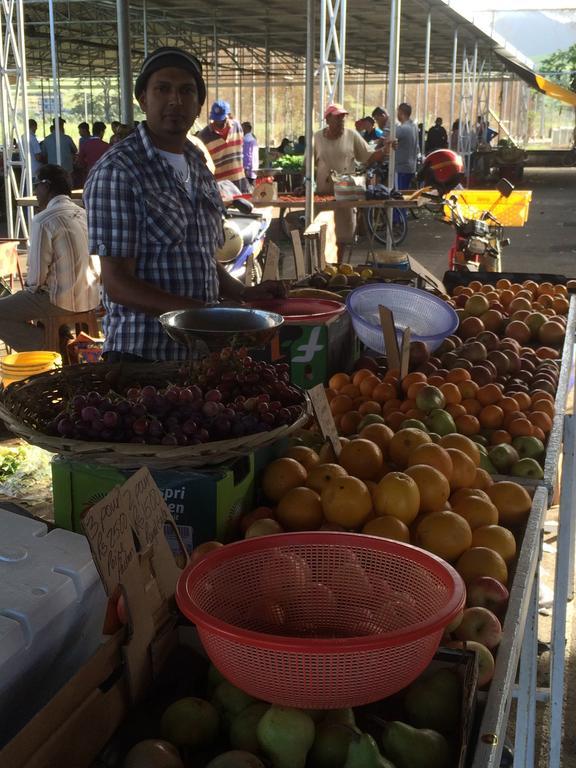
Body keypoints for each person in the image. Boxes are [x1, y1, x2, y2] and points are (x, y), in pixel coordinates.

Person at [84, 47, 286, 363]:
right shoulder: (119, 170)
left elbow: (198, 256)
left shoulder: (198, 165)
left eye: (186, 91)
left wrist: (241, 293)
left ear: (198, 104)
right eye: (162, 89)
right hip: (143, 357)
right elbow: (117, 283)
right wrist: (202, 314)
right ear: (143, 99)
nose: (175, 101)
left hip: (202, 355)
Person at [0, 164, 100, 352]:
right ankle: (61, 340)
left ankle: (53, 348)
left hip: (60, 301)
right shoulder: (84, 214)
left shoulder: (44, 220)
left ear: (46, 186)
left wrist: (26, 295)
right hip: (91, 297)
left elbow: (36, 280)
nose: (36, 192)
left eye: (37, 186)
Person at [314, 103, 392, 262]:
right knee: (321, 234)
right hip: (323, 195)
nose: (342, 121)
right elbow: (308, 165)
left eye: (343, 118)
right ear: (327, 119)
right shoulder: (317, 138)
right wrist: (305, 184)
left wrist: (384, 150)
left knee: (342, 236)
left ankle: (339, 265)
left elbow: (368, 156)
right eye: (337, 118)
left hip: (345, 194)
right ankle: (322, 266)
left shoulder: (352, 136)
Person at [197, 99, 250, 193]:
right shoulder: (204, 136)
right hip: (221, 188)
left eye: (222, 119)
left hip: (240, 182)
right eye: (216, 120)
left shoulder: (237, 126)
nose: (219, 123)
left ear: (228, 115)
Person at [395, 102, 419, 190]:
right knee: (407, 194)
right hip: (411, 167)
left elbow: (388, 139)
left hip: (401, 168)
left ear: (401, 113)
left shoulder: (402, 129)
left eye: (397, 112)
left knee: (400, 194)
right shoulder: (414, 126)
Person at [241, 121, 259, 186]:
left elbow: (247, 156)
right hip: (254, 169)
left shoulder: (246, 140)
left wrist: (246, 168)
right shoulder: (253, 139)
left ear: (246, 128)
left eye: (242, 128)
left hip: (248, 171)